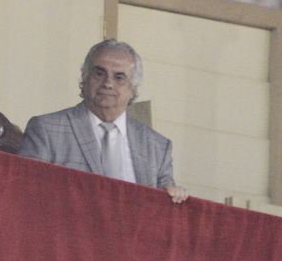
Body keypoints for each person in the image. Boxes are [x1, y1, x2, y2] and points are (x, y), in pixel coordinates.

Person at [18, 39, 188, 203]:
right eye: (99, 73)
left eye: (119, 77)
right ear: (84, 78)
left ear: (133, 88)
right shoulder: (46, 130)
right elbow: (27, 194)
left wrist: (174, 196)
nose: (108, 83)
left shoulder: (158, 147)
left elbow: (166, 205)